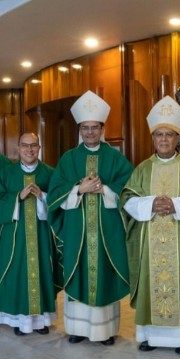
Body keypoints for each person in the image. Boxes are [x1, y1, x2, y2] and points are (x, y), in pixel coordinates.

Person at [122, 96, 180, 355]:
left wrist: (175, 206)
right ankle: (149, 336)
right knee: (151, 283)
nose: (164, 140)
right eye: (159, 135)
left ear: (177, 137)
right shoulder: (143, 169)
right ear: (153, 137)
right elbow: (126, 198)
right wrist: (149, 205)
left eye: (169, 135)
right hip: (150, 242)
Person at [48, 90, 133, 345]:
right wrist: (78, 189)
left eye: (94, 128)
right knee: (78, 273)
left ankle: (106, 332)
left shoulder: (115, 157)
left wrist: (105, 189)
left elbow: (129, 188)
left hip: (107, 231)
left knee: (104, 273)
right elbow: (55, 190)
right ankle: (77, 329)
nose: (89, 133)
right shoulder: (69, 158)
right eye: (85, 128)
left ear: (102, 128)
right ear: (79, 129)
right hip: (78, 231)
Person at [0, 132, 59, 335]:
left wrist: (42, 195)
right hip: (15, 236)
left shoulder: (50, 173)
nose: (29, 150)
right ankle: (19, 320)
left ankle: (40, 320)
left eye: (33, 145)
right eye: (25, 146)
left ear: (39, 148)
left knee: (41, 272)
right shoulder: (7, 173)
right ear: (18, 148)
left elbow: (60, 201)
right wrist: (18, 196)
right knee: (18, 274)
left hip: (41, 235)